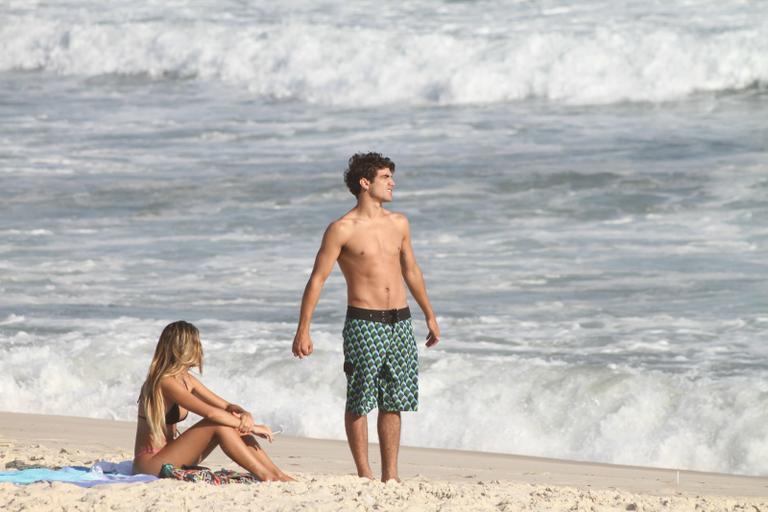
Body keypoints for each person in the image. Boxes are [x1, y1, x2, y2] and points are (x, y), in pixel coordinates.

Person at [292, 152, 440, 482]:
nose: (393, 183)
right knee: (360, 398)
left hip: (400, 320)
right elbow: (317, 279)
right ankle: (364, 473)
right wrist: (304, 329)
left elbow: (411, 270)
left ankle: (392, 475)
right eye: (386, 177)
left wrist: (429, 315)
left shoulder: (399, 222)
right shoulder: (341, 229)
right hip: (364, 322)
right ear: (365, 182)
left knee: (394, 397)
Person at [132, 320, 292, 481]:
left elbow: (227, 406)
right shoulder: (165, 382)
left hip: (173, 457)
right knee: (218, 423)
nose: (199, 349)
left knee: (231, 421)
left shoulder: (187, 380)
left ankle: (278, 474)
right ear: (185, 348)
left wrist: (245, 414)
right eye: (196, 344)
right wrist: (254, 428)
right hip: (150, 465)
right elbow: (211, 413)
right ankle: (265, 476)